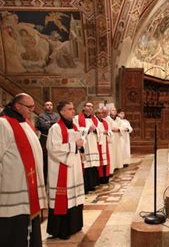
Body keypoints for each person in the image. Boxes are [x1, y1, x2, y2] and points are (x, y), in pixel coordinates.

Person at [0, 93, 47, 247]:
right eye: (29, 107)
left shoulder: (25, 123)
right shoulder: (1, 125)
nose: (32, 110)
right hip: (11, 190)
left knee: (26, 232)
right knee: (12, 234)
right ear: (18, 106)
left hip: (27, 188)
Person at [46, 101, 84, 240]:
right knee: (63, 198)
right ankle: (61, 229)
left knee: (74, 197)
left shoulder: (74, 126)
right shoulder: (55, 128)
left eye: (73, 108)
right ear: (61, 112)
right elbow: (53, 148)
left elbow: (77, 144)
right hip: (61, 167)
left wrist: (80, 145)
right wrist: (75, 145)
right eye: (69, 109)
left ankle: (74, 226)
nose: (73, 111)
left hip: (74, 167)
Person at [73, 102, 100, 193]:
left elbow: (100, 129)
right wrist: (88, 129)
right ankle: (85, 186)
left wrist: (96, 129)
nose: (90, 108)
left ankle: (92, 184)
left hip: (92, 143)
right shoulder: (77, 118)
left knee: (92, 165)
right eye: (88, 106)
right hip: (84, 143)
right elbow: (76, 130)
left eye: (92, 106)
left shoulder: (95, 119)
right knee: (85, 165)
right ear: (84, 107)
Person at [35, 100, 60, 182]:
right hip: (44, 139)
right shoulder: (41, 115)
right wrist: (52, 123)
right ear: (44, 107)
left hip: (55, 138)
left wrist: (49, 122)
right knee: (45, 159)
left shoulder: (56, 115)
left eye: (50, 105)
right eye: (47, 105)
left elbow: (58, 125)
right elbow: (44, 126)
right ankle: (45, 179)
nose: (49, 106)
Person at [97, 106, 112, 184]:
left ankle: (105, 177)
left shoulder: (105, 122)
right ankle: (100, 177)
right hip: (98, 144)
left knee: (106, 161)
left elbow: (110, 132)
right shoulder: (95, 122)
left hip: (105, 144)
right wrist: (102, 133)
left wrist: (107, 133)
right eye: (99, 113)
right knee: (99, 161)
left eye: (102, 113)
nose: (101, 114)